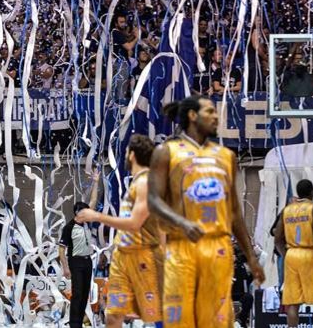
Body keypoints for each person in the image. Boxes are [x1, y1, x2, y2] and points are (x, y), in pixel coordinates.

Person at [147, 95, 265, 327]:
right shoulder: (166, 152)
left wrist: (251, 256)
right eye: (210, 111)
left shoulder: (225, 157)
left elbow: (234, 213)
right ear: (193, 116)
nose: (215, 116)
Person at [75, 134, 201, 327]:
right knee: (117, 315)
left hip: (153, 258)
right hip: (135, 257)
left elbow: (140, 224)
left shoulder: (152, 184)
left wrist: (97, 216)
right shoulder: (147, 183)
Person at [273, 179, 313, 328]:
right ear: (312, 192)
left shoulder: (286, 210)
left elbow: (277, 238)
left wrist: (286, 255)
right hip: (309, 254)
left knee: (292, 302)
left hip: (291, 255)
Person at [58, 171, 101, 328]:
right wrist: (65, 268)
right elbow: (61, 249)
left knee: (85, 294)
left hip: (87, 261)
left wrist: (96, 182)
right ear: (77, 213)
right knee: (77, 294)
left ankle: (80, 322)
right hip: (75, 262)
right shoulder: (69, 228)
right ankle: (74, 324)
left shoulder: (86, 223)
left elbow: (94, 200)